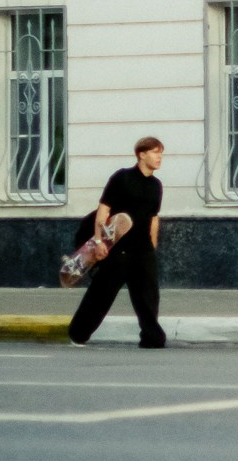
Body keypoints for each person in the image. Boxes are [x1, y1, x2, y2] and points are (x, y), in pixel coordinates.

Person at [69, 136, 169, 348]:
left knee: (148, 297)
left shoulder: (156, 185)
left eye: (161, 152)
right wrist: (98, 241)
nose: (160, 157)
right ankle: (78, 334)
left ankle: (152, 338)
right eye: (155, 152)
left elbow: (154, 218)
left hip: (143, 250)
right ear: (142, 154)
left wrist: (152, 246)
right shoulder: (122, 178)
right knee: (101, 295)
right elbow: (103, 210)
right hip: (118, 250)